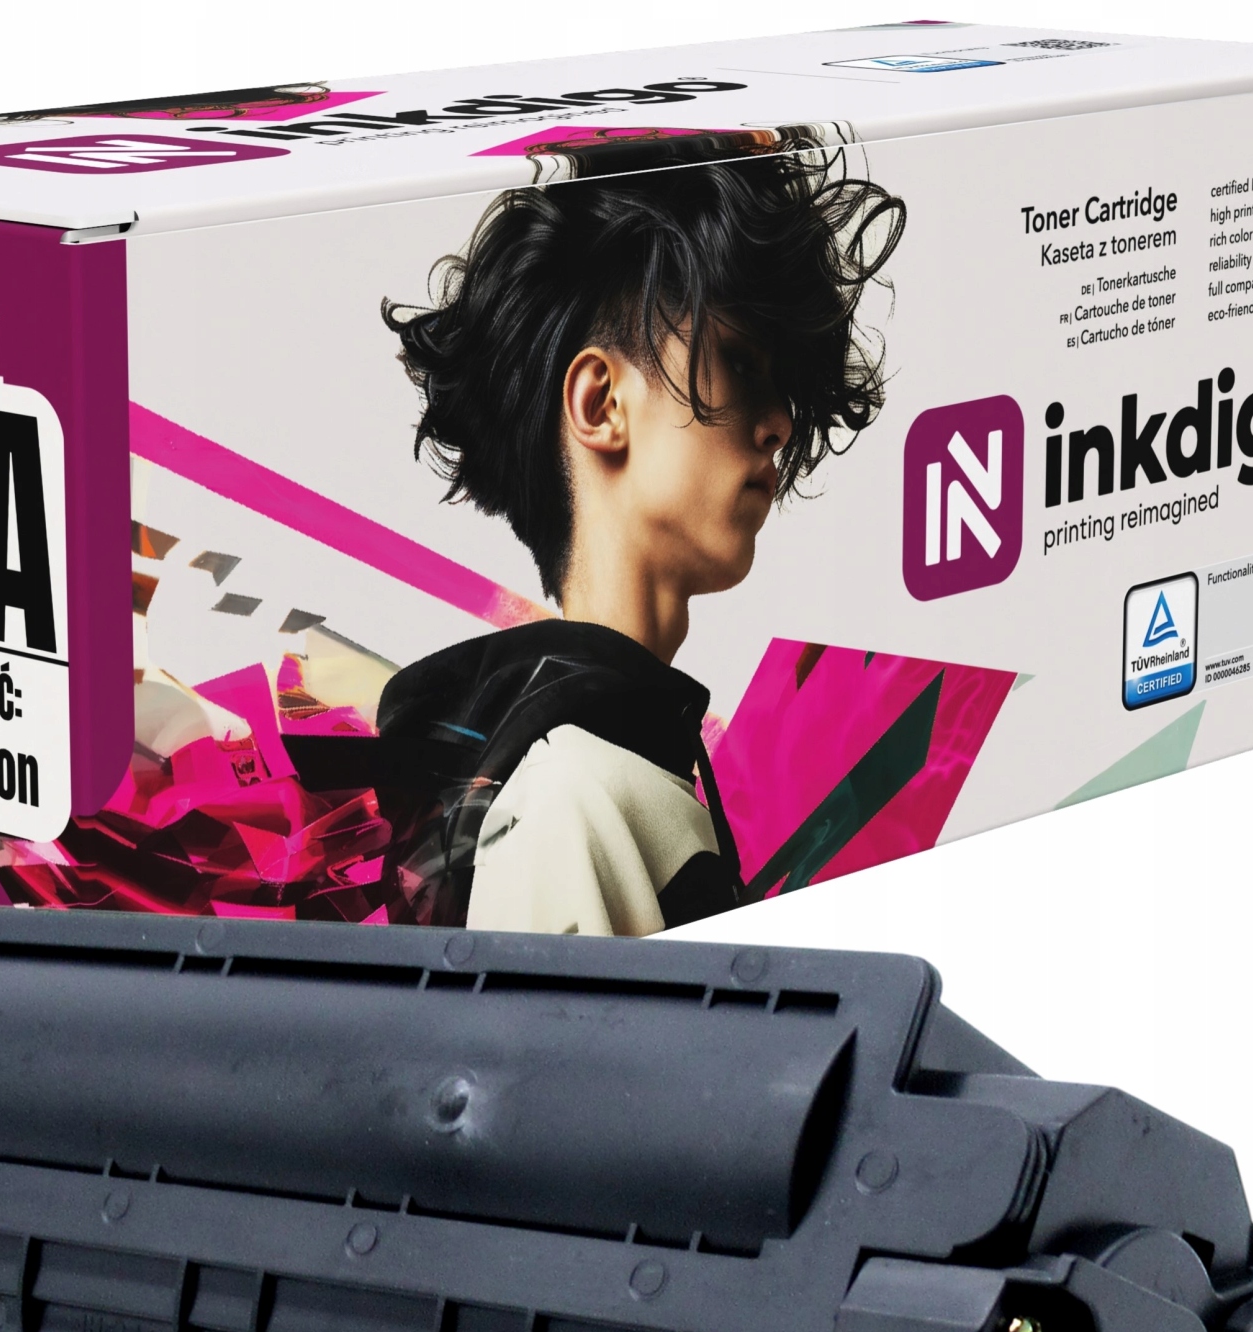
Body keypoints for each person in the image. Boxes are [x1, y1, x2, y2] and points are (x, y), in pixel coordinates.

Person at [375, 134, 904, 933]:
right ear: (601, 404)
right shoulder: (568, 796)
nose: (780, 423)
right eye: (739, 362)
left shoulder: (614, 773)